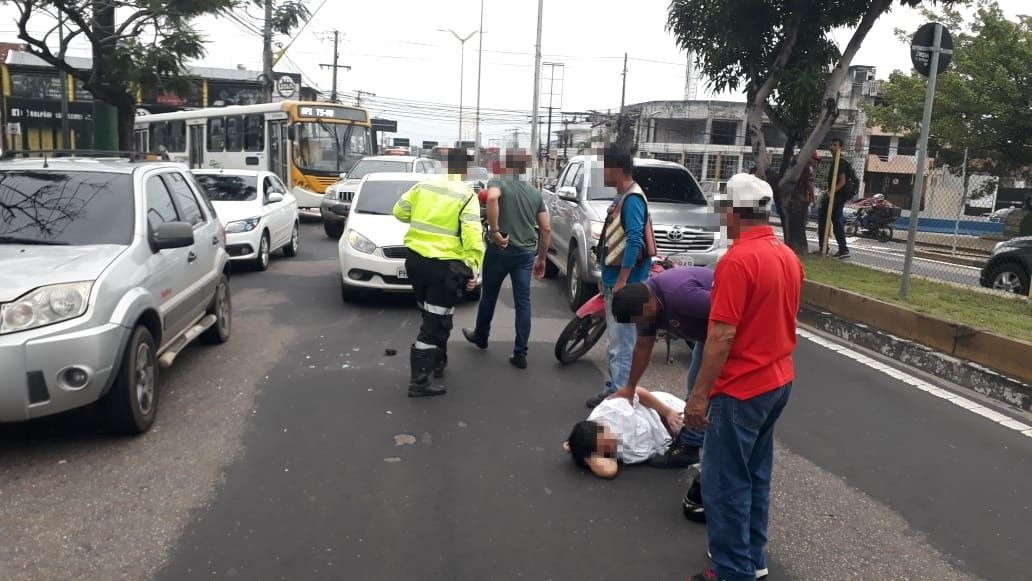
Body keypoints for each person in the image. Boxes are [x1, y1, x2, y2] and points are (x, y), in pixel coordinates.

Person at [683, 173, 803, 581]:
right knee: (755, 475)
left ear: (734, 213)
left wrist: (699, 396)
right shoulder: (786, 256)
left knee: (725, 483)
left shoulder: (737, 261)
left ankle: (732, 570)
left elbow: (722, 335)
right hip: (778, 381)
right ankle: (753, 558)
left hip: (741, 389)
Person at [392, 147, 485, 397]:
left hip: (415, 261)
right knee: (434, 321)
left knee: (433, 312)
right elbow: (473, 236)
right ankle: (419, 382)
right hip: (443, 266)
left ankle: (438, 360)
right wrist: (473, 268)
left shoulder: (423, 186)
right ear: (465, 170)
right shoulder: (466, 195)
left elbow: (399, 211)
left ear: (444, 166)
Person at [608, 266, 714, 468]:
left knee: (711, 393)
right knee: (695, 386)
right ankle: (691, 445)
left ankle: (704, 450)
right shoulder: (645, 305)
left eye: (639, 320)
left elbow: (732, 310)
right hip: (707, 336)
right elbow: (643, 346)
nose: (641, 325)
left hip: (729, 336)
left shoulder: (682, 296)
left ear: (649, 306)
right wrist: (630, 387)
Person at [462, 148, 552, 368]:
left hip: (500, 251)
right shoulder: (534, 193)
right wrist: (542, 258)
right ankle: (520, 352)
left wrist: (494, 231)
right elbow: (546, 229)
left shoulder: (498, 182)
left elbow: (492, 198)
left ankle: (481, 336)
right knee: (523, 303)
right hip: (525, 255)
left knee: (489, 296)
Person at [584, 146, 656, 408]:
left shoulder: (632, 199)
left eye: (605, 168)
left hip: (625, 284)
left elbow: (635, 239)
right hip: (615, 280)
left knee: (622, 344)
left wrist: (623, 280)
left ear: (617, 169)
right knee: (616, 342)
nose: (603, 173)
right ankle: (615, 389)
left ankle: (620, 399)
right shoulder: (623, 196)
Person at [564, 387, 687, 479]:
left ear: (602, 426)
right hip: (671, 441)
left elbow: (638, 392)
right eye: (605, 447)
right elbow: (609, 471)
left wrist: (667, 412)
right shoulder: (601, 453)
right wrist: (584, 454)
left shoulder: (610, 410)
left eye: (607, 437)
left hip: (668, 413)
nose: (612, 443)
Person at [816, 138, 856, 259]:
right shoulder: (837, 161)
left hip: (837, 197)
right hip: (837, 196)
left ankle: (830, 248)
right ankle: (840, 249)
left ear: (840, 148)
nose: (831, 147)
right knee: (835, 220)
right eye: (831, 144)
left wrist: (830, 193)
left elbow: (842, 181)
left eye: (835, 145)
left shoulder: (840, 162)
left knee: (827, 220)